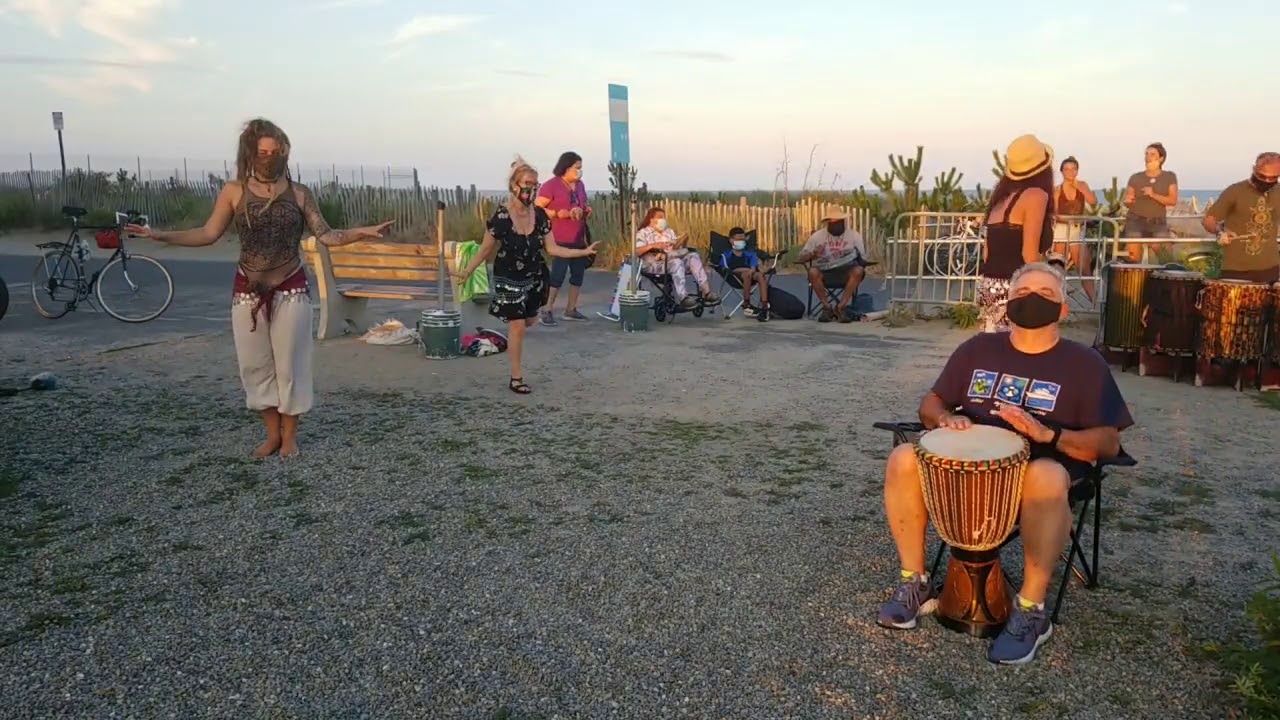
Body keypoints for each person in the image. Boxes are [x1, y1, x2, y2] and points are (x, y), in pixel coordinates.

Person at [876, 262, 1133, 664]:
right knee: (903, 457)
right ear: (1007, 303)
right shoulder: (978, 349)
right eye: (1022, 293)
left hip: (1041, 473)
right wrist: (944, 418)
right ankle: (915, 581)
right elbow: (931, 403)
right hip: (966, 473)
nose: (1032, 299)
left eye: (1045, 294)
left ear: (1064, 309)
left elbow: (1109, 441)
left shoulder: (1084, 363)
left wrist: (1049, 435)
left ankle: (1031, 610)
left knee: (1045, 475)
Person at [125, 118, 392, 459]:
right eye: (263, 152)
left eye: (276, 151)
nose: (269, 158)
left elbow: (327, 235)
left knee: (291, 364)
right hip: (247, 290)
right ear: (250, 153)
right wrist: (160, 235)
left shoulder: (299, 194)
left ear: (285, 152)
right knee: (255, 365)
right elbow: (208, 233)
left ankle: (290, 436)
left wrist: (360, 232)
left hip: (291, 287)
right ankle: (272, 435)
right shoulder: (234, 191)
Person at [453, 156, 599, 394]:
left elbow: (553, 249)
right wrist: (468, 271)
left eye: (535, 184)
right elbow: (485, 250)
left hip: (534, 275)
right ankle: (516, 378)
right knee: (518, 325)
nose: (531, 189)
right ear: (514, 185)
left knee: (529, 320)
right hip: (508, 277)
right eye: (527, 184)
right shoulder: (501, 218)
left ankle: (515, 332)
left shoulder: (540, 216)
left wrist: (582, 252)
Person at [977, 134, 1055, 333]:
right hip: (1016, 287)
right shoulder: (1036, 196)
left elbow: (987, 254)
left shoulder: (1000, 199)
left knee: (994, 345)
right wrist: (1048, 281)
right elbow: (1029, 255)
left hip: (989, 285)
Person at [1201, 152, 1280, 285]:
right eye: (1262, 176)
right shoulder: (1235, 191)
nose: (1267, 181)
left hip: (1271, 268)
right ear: (1254, 169)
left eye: (1273, 178)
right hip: (1236, 269)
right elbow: (1208, 220)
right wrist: (1220, 231)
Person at [534, 151, 593, 325]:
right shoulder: (551, 186)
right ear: (566, 168)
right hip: (559, 236)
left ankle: (571, 309)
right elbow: (537, 209)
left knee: (578, 274)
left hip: (578, 236)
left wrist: (585, 210)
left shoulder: (580, 185)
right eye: (577, 168)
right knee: (557, 274)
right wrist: (557, 213)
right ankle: (547, 308)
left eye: (581, 168)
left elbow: (581, 203)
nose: (579, 171)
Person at [634, 207, 720, 309]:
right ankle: (683, 298)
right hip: (653, 264)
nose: (663, 220)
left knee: (693, 256)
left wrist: (682, 241)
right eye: (660, 217)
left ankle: (707, 292)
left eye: (664, 217)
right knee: (676, 262)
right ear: (651, 219)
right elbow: (637, 251)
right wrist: (653, 245)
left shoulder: (669, 231)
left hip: (672, 258)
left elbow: (676, 248)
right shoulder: (643, 233)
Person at [796, 207, 868, 323]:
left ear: (843, 222)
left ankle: (841, 307)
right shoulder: (817, 236)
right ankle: (827, 307)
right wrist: (813, 254)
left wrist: (856, 257)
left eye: (838, 222)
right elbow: (800, 258)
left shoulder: (854, 236)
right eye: (833, 223)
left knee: (859, 271)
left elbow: (863, 259)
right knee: (812, 272)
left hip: (846, 273)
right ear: (828, 223)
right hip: (825, 274)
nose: (836, 225)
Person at [1122, 142, 1178, 262]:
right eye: (1146, 154)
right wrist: (1127, 201)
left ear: (1161, 158)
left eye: (1152, 154)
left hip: (1158, 222)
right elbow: (1127, 200)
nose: (1148, 157)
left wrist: (1153, 195)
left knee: (1166, 257)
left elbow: (1172, 200)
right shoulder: (1135, 177)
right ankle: (1134, 273)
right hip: (1135, 220)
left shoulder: (1169, 177)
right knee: (1133, 257)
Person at [1052, 156, 1097, 303]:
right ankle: (1057, 302)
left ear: (1077, 171)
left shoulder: (1082, 185)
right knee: (1058, 268)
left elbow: (1093, 201)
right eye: (1066, 169)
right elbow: (1054, 213)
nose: (1070, 172)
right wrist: (1069, 219)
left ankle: (1095, 303)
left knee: (1084, 269)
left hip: (1077, 230)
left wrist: (1082, 189)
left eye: (1073, 169)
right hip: (1061, 229)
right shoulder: (1057, 190)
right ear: (1062, 172)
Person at [719, 226, 769, 322]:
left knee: (760, 275)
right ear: (731, 240)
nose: (741, 242)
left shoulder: (749, 254)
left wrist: (751, 270)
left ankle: (764, 305)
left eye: (743, 240)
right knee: (746, 274)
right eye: (738, 240)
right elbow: (725, 268)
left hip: (751, 273)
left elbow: (753, 267)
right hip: (735, 276)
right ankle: (747, 304)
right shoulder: (727, 255)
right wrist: (745, 270)